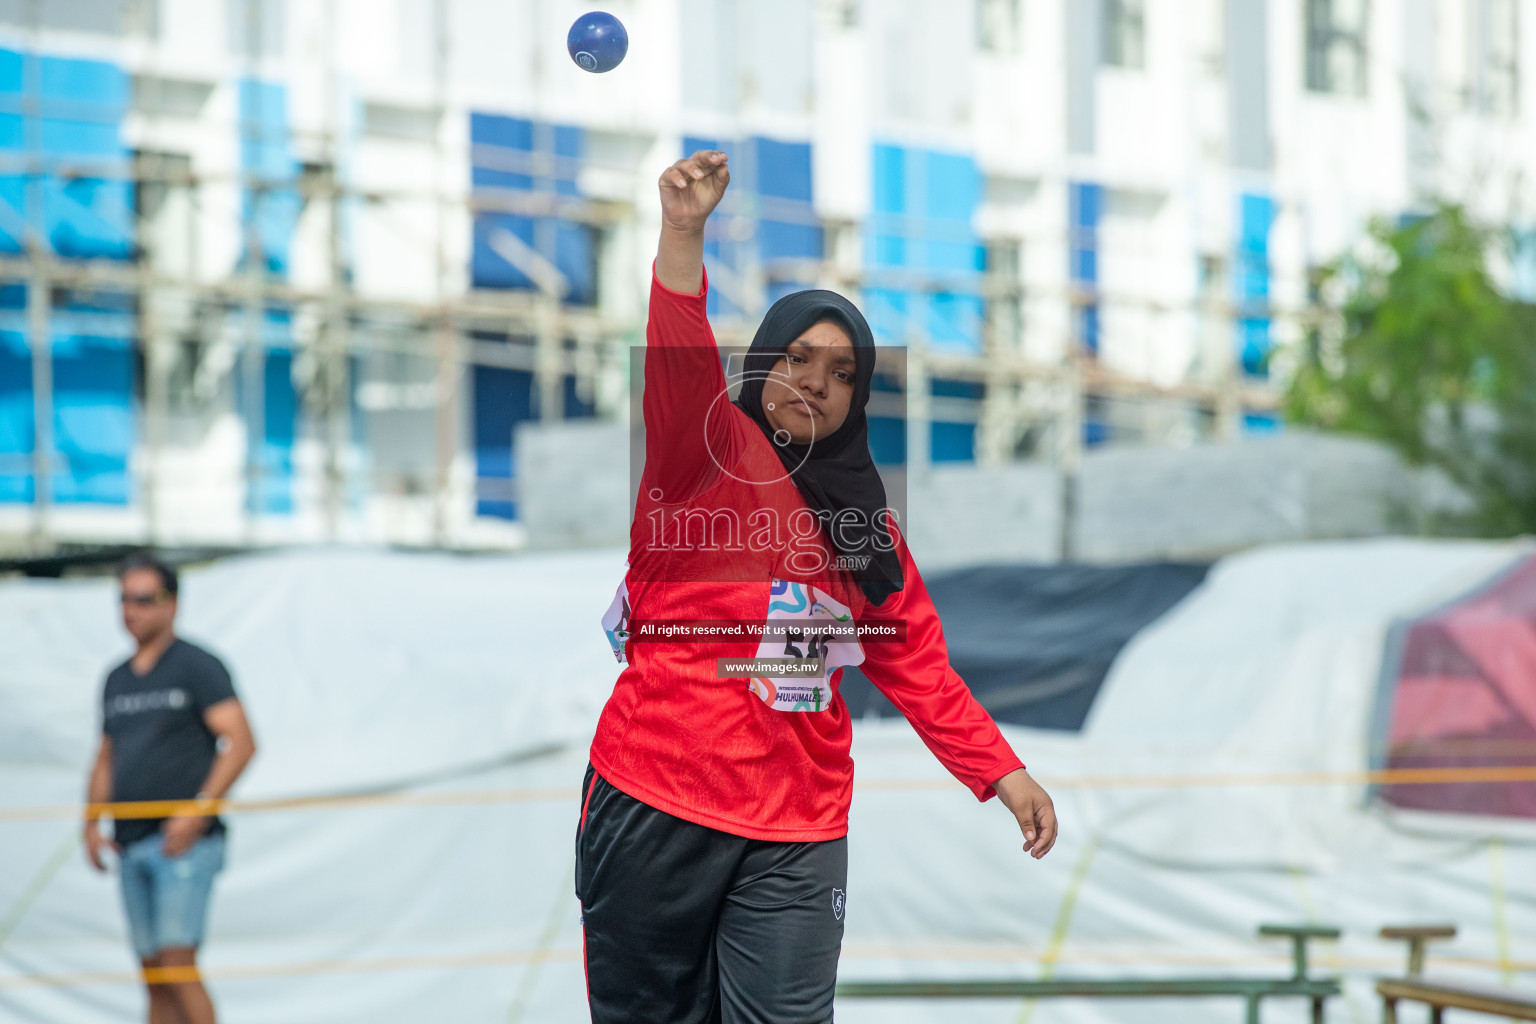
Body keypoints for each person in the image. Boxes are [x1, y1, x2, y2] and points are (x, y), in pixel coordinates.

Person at [577, 150, 1058, 1023]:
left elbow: (918, 665)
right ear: (763, 363)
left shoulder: (867, 531)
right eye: (799, 359)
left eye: (844, 375)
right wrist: (683, 233)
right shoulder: (702, 450)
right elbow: (679, 357)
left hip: (798, 826)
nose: (818, 385)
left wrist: (1003, 772)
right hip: (656, 800)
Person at [83, 553, 257, 1024]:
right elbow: (106, 756)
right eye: (123, 600)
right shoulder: (116, 678)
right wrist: (90, 824)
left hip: (181, 844)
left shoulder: (197, 666)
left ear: (171, 604)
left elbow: (241, 742)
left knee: (177, 965)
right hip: (129, 841)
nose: (131, 611)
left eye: (143, 599)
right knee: (153, 973)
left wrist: (198, 812)